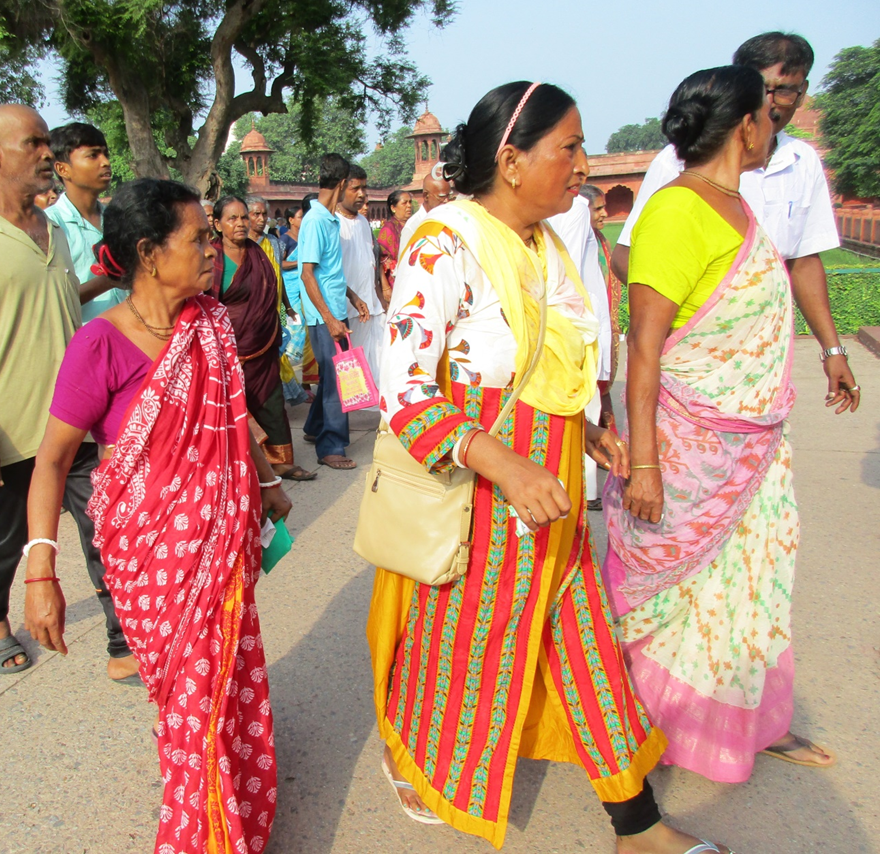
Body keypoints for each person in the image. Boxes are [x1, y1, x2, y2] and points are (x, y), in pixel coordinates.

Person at [367, 82, 732, 854]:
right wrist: (504, 465)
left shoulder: (544, 247)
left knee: (583, 645)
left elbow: (549, 366)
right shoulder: (443, 243)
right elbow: (403, 388)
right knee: (462, 647)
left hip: (553, 495)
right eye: (568, 147)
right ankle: (416, 757)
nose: (583, 165)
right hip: (484, 501)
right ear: (511, 160)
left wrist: (589, 431)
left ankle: (635, 824)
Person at [23, 177, 291, 853]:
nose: (212, 248)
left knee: (222, 681)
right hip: (151, 560)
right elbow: (51, 463)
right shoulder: (98, 345)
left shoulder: (209, 326)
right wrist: (40, 571)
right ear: (148, 253)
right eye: (198, 238)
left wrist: (265, 482)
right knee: (190, 699)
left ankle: (237, 805)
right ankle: (203, 833)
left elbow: (232, 416)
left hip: (222, 546)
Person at [603, 65, 843, 785]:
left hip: (753, 452)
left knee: (745, 586)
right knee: (675, 595)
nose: (776, 124)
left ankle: (740, 722)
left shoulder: (736, 206)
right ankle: (643, 731)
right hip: (686, 453)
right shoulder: (678, 210)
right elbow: (645, 347)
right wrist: (646, 465)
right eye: (768, 113)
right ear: (745, 125)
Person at [611, 32, 859, 413]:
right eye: (762, 90)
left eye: (784, 91)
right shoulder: (680, 165)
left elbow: (803, 260)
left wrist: (832, 349)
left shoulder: (802, 161)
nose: (771, 104)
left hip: (758, 374)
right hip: (697, 370)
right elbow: (629, 262)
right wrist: (714, 306)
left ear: (802, 92)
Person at [0, 104, 134, 680]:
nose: (46, 154)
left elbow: (62, 305)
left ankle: (122, 642)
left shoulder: (51, 229)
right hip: (12, 426)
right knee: (9, 543)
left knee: (103, 526)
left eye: (47, 143)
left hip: (74, 415)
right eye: (32, 143)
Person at [212, 195, 317, 480]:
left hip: (263, 341)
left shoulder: (259, 253)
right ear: (218, 224)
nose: (241, 223)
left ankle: (281, 462)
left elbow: (273, 289)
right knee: (229, 408)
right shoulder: (210, 257)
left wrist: (284, 314)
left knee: (271, 401)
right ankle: (235, 468)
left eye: (243, 217)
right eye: (232, 218)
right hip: (225, 347)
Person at [299, 154, 369, 470]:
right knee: (339, 381)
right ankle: (331, 447)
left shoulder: (328, 219)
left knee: (332, 377)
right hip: (324, 315)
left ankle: (315, 427)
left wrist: (353, 297)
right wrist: (329, 319)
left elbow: (330, 272)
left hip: (334, 309)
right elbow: (307, 274)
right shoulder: (316, 221)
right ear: (341, 184)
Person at [547, 187, 613, 512]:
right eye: (598, 208)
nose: (603, 214)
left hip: (578, 323)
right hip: (576, 325)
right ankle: (584, 490)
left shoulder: (566, 211)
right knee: (584, 405)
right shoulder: (575, 209)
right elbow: (568, 274)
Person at [47, 122, 124, 322]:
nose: (105, 162)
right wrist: (109, 280)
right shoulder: (50, 225)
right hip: (84, 337)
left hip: (130, 337)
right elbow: (51, 300)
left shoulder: (118, 218)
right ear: (63, 169)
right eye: (93, 155)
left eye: (105, 154)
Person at [336, 164, 384, 389]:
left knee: (377, 365)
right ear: (341, 188)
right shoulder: (333, 223)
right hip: (348, 309)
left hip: (371, 306)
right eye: (355, 188)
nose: (362, 194)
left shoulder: (364, 222)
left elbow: (370, 262)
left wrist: (379, 295)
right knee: (351, 373)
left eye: (364, 188)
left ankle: (376, 404)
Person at [582, 184, 622, 432]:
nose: (604, 214)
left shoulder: (600, 241)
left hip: (606, 326)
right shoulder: (576, 242)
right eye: (598, 209)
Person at [398, 167, 455, 254]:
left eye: (449, 196)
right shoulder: (413, 227)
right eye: (442, 196)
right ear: (426, 196)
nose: (446, 200)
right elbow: (404, 260)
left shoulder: (449, 221)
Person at [376, 189, 412, 296]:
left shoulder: (413, 225)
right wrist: (385, 287)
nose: (409, 206)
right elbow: (381, 259)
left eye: (410, 202)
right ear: (393, 208)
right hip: (394, 281)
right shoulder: (388, 229)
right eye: (404, 203)